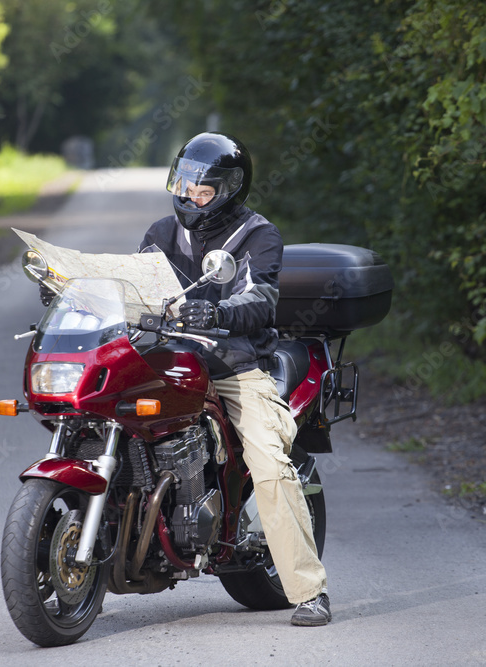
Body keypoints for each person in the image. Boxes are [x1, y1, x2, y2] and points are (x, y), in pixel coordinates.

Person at [139, 131, 331, 627]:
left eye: (202, 191)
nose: (189, 197)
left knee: (269, 463)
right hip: (170, 361)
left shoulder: (257, 235)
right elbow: (134, 287)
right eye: (183, 186)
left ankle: (309, 590)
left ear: (228, 192)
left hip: (234, 365)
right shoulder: (162, 233)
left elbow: (260, 299)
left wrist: (215, 311)